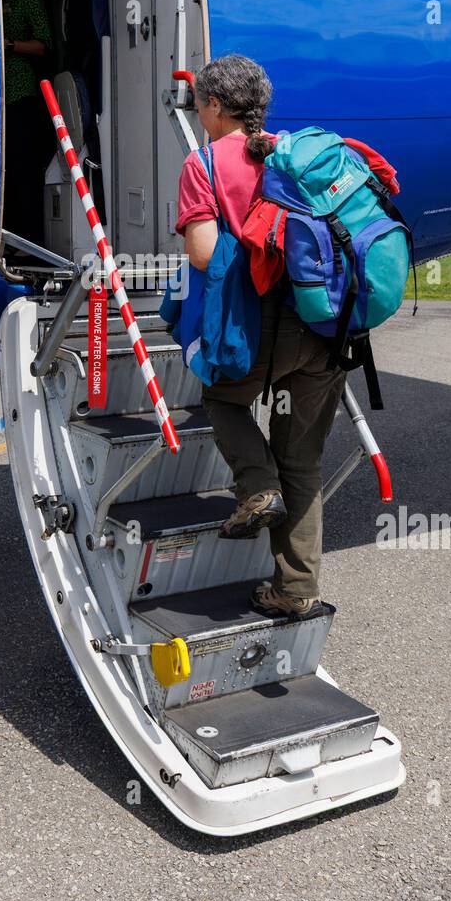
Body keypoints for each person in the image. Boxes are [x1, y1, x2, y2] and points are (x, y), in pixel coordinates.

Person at [175, 54, 347, 619]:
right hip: (324, 323)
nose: (198, 114)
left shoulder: (204, 162)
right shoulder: (297, 154)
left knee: (223, 400)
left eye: (199, 104)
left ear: (217, 106)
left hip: (258, 323)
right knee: (303, 460)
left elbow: (202, 254)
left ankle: (256, 488)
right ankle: (296, 592)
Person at [0, 0, 54, 254]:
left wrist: (10, 45)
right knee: (7, 172)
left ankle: (31, 242)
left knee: (24, 172)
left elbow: (44, 44)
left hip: (22, 93)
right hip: (3, 99)